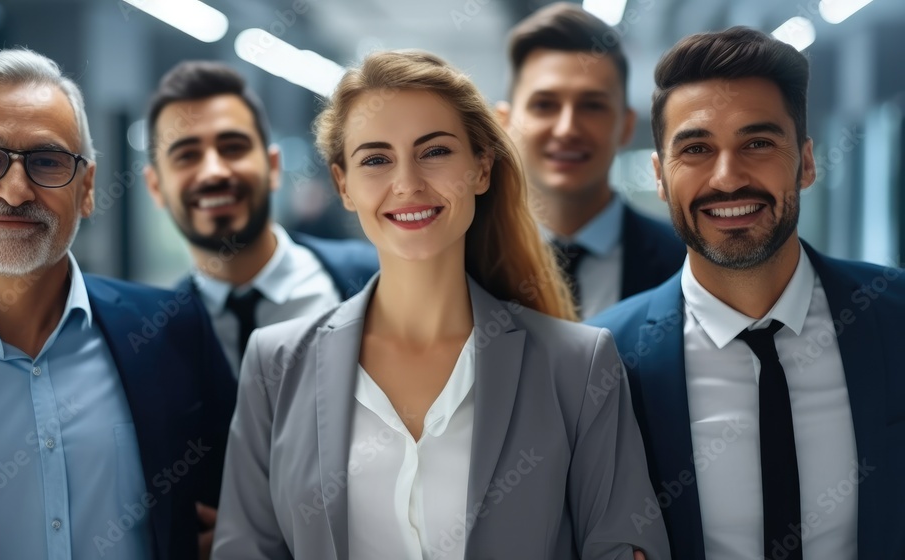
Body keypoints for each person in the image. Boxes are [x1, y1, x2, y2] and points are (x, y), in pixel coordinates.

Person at [211, 50, 670, 560]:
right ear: (344, 185)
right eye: (376, 159)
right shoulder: (275, 364)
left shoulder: (578, 367)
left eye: (434, 152)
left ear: (481, 168)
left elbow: (621, 546)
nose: (407, 183)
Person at [589, 27, 905, 560]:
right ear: (661, 177)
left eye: (758, 143)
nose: (728, 178)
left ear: (805, 162)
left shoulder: (896, 318)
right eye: (696, 149)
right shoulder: (605, 362)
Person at [0, 49, 236, 560]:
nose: (15, 191)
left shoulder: (171, 329)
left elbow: (240, 504)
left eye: (47, 161)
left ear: (87, 189)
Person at [143, 61, 378, 379]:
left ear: (273, 167)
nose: (214, 171)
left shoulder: (373, 280)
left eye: (233, 148)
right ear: (156, 186)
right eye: (187, 155)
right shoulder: (155, 336)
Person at [496, 3, 685, 319]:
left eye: (592, 105)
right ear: (504, 123)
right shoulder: (463, 260)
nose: (567, 128)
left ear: (625, 125)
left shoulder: (685, 262)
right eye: (544, 105)